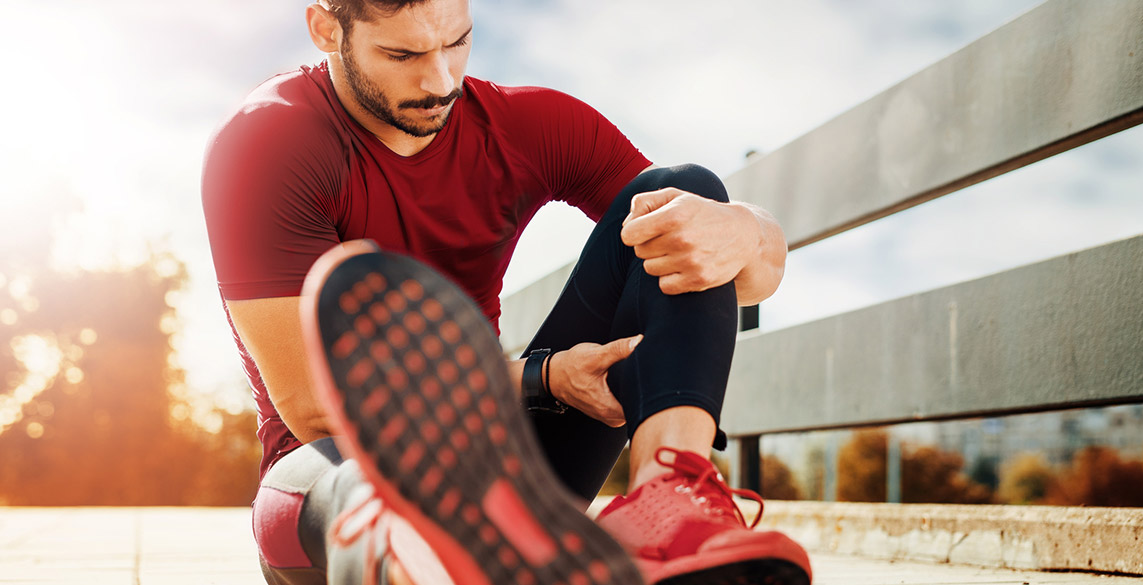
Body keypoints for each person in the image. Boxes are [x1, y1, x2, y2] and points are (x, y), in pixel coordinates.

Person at [201, 0, 812, 583]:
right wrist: (539, 378)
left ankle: (668, 504)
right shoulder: (266, 142)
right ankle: (420, 553)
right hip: (336, 470)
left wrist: (748, 232)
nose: (440, 80)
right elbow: (314, 405)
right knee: (373, 490)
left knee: (682, 199)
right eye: (403, 54)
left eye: (457, 42)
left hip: (508, 465)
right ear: (326, 30)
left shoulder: (529, 126)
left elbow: (743, 276)